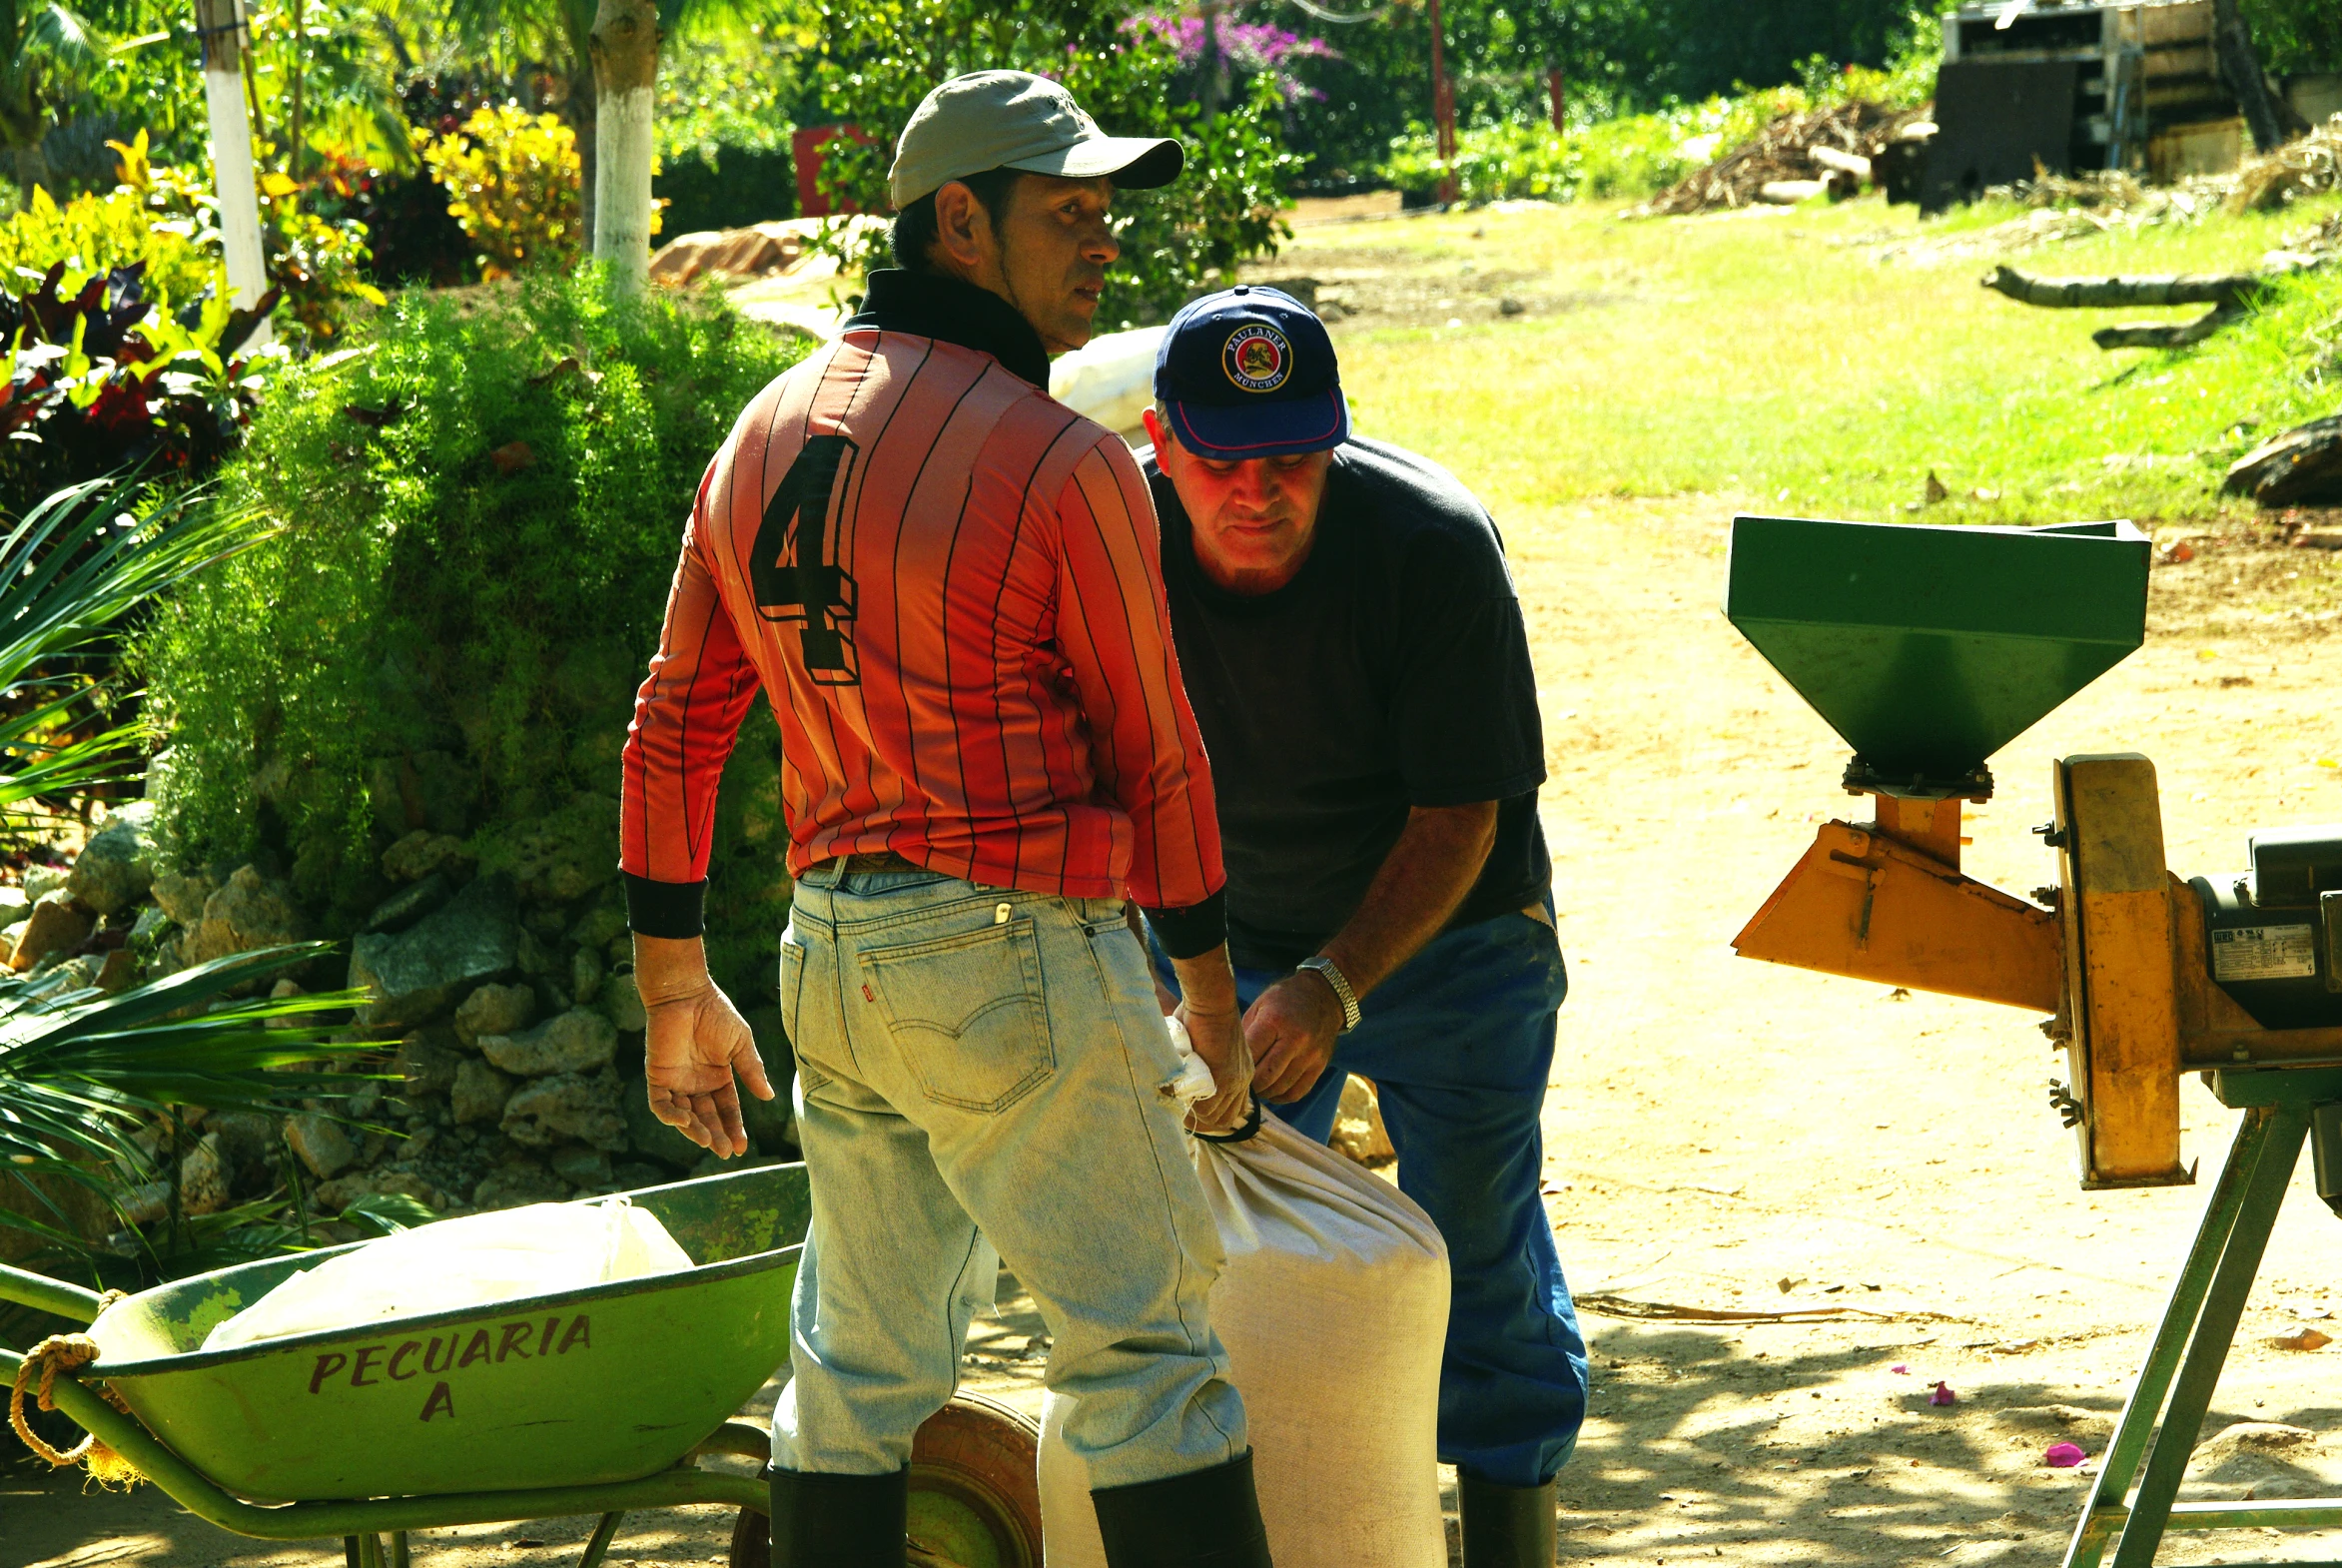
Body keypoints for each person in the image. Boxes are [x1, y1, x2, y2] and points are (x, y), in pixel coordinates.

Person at [618, 72, 1272, 1568]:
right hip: (1012, 958)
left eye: (1108, 210)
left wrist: (673, 980)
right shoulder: (1063, 463)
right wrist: (1214, 996)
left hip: (832, 969)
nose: (1102, 240)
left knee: (853, 1376)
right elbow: (1156, 750)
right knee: (1147, 1364)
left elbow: (676, 717)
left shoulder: (759, 432)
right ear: (958, 222)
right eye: (1068, 211)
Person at [1138, 286, 1589, 1568]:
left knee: (1476, 1245)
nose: (1256, 493)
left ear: (1333, 448)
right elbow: (1104, 782)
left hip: (1454, 931)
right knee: (1237, 1249)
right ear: (1160, 446)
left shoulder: (1430, 545)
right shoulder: (1108, 545)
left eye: (1290, 460)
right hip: (1227, 927)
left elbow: (1462, 814)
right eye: (1219, 461)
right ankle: (1304, 1528)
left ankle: (1508, 1528)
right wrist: (1198, 989)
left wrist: (1330, 986)